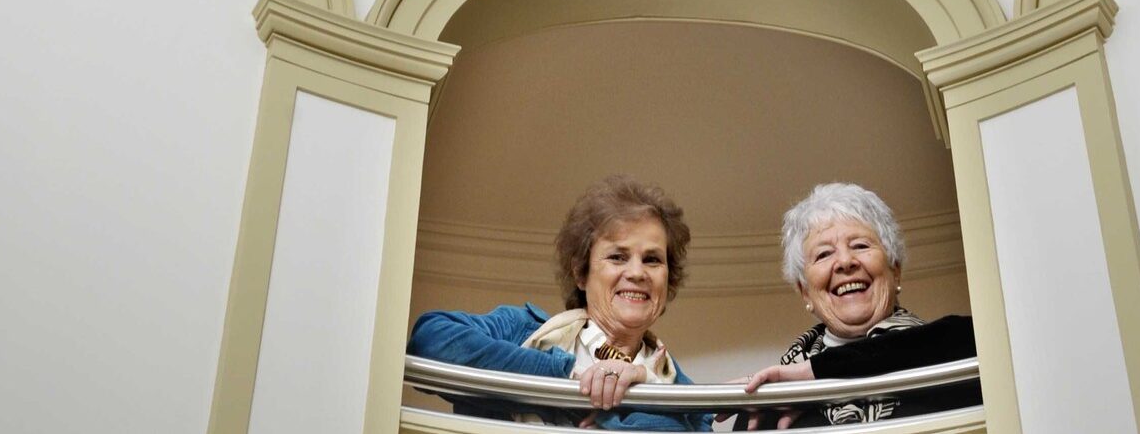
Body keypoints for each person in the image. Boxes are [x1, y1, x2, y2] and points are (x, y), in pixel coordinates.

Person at [408, 175, 707, 430]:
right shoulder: (521, 332)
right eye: (618, 257)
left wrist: (638, 386)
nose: (637, 273)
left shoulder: (680, 390)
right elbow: (430, 341)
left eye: (652, 260)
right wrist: (571, 379)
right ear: (581, 272)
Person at [738, 183, 981, 427]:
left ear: (895, 271)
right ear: (805, 293)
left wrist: (816, 372)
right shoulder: (769, 403)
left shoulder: (955, 353)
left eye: (860, 246)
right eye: (823, 254)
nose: (845, 261)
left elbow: (965, 336)